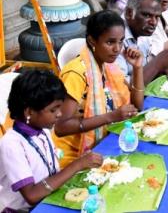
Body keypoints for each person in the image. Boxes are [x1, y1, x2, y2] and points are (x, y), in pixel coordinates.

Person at [0, 71, 103, 211]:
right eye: (53, 110)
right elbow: (31, 195)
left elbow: (51, 174)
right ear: (29, 112)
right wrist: (77, 164)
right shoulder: (12, 144)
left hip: (49, 199)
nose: (59, 114)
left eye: (59, 108)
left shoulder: (43, 132)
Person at [54, 10, 144, 167]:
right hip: (72, 156)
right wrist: (111, 117)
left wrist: (137, 68)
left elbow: (136, 106)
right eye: (110, 42)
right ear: (92, 41)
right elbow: (61, 127)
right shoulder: (76, 74)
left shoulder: (109, 68)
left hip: (102, 142)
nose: (117, 49)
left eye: (121, 41)